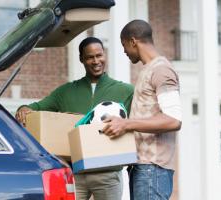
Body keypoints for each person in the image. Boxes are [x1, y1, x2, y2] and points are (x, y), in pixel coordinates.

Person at [15, 37, 134, 200]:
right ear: (81, 59)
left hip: (108, 173)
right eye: (89, 57)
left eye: (99, 55)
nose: (95, 61)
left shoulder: (126, 90)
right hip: (74, 173)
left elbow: (139, 123)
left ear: (104, 55)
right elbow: (36, 107)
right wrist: (23, 109)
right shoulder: (66, 91)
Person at [101, 19, 182, 200]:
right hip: (143, 169)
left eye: (124, 45)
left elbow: (173, 119)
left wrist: (126, 124)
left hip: (152, 170)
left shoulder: (162, 70)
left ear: (133, 41)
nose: (124, 51)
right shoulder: (149, 69)